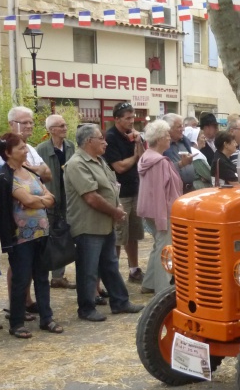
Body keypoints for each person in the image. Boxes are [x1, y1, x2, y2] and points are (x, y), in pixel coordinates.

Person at [65, 124, 144, 322]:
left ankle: (120, 301)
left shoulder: (99, 160)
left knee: (110, 265)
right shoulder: (77, 164)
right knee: (88, 270)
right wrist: (115, 211)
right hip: (88, 226)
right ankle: (86, 308)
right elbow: (91, 197)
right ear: (88, 141)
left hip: (104, 224)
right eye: (101, 138)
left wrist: (115, 210)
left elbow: (109, 187)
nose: (105, 141)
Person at [0, 133, 62, 338]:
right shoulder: (5, 176)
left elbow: (50, 197)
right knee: (21, 279)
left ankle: (46, 318)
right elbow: (30, 200)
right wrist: (39, 200)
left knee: (42, 277)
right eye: (21, 148)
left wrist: (37, 200)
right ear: (8, 152)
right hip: (20, 236)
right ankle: (16, 322)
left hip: (41, 233)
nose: (26, 150)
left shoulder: (29, 172)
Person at [137, 120, 183, 295]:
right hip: (162, 211)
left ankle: (149, 283)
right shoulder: (159, 162)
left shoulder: (147, 157)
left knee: (159, 246)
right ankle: (162, 289)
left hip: (151, 209)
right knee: (165, 249)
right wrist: (162, 218)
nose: (169, 138)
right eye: (166, 135)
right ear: (158, 138)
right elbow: (159, 193)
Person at [104, 101, 145, 284]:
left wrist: (139, 143)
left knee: (134, 234)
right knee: (119, 236)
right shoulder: (111, 137)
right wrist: (135, 157)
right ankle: (113, 275)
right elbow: (119, 167)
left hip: (135, 188)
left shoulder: (131, 135)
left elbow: (143, 158)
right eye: (128, 118)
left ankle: (134, 268)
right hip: (120, 192)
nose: (131, 121)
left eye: (133, 117)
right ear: (117, 119)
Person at [36, 114, 76, 289]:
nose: (65, 128)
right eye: (61, 125)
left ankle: (59, 275)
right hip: (50, 199)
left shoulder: (70, 146)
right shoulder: (41, 149)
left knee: (65, 235)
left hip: (68, 198)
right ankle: (52, 274)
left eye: (65, 125)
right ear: (52, 130)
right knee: (51, 237)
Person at [161, 113, 195, 192]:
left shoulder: (184, 142)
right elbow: (163, 170)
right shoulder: (162, 147)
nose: (183, 129)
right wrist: (181, 163)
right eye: (179, 126)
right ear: (169, 129)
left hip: (189, 189)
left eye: (182, 126)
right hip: (173, 190)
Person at [183, 125, 213, 189]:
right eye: (203, 138)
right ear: (195, 139)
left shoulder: (190, 151)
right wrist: (202, 177)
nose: (205, 140)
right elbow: (209, 175)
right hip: (199, 188)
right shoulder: (195, 154)